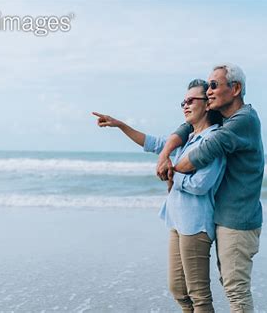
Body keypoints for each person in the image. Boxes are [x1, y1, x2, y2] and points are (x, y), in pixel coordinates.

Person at [92, 79, 226, 313]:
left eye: (191, 100)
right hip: (177, 221)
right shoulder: (188, 139)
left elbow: (202, 184)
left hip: (195, 225)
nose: (185, 105)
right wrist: (121, 125)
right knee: (178, 290)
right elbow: (153, 143)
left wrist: (173, 173)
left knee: (199, 295)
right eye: (183, 101)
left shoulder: (213, 140)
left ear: (207, 105)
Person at [155, 64, 264, 313]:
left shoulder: (242, 121)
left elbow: (204, 152)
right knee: (221, 287)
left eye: (214, 85)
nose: (209, 90)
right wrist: (166, 151)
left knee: (236, 291)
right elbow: (186, 128)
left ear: (235, 89)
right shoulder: (227, 120)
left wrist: (171, 169)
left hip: (238, 219)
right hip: (222, 217)